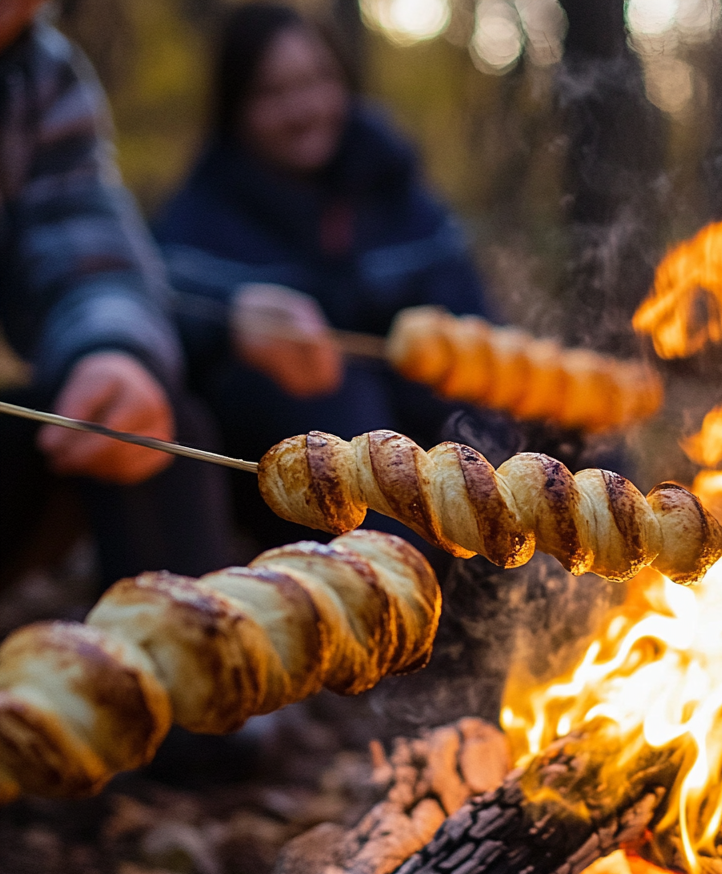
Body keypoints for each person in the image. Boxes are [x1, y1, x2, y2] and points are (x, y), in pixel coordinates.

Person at [154, 2, 494, 552]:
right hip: (294, 466)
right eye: (272, 93)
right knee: (341, 405)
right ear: (234, 107)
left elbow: (473, 319)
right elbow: (160, 305)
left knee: (553, 428)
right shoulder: (202, 214)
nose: (304, 110)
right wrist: (232, 317)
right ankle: (394, 582)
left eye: (317, 81)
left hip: (429, 433)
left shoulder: (399, 195)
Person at [0, 1, 231, 590]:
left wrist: (110, 351)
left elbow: (82, 248)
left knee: (143, 430)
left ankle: (184, 642)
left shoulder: (41, 72)